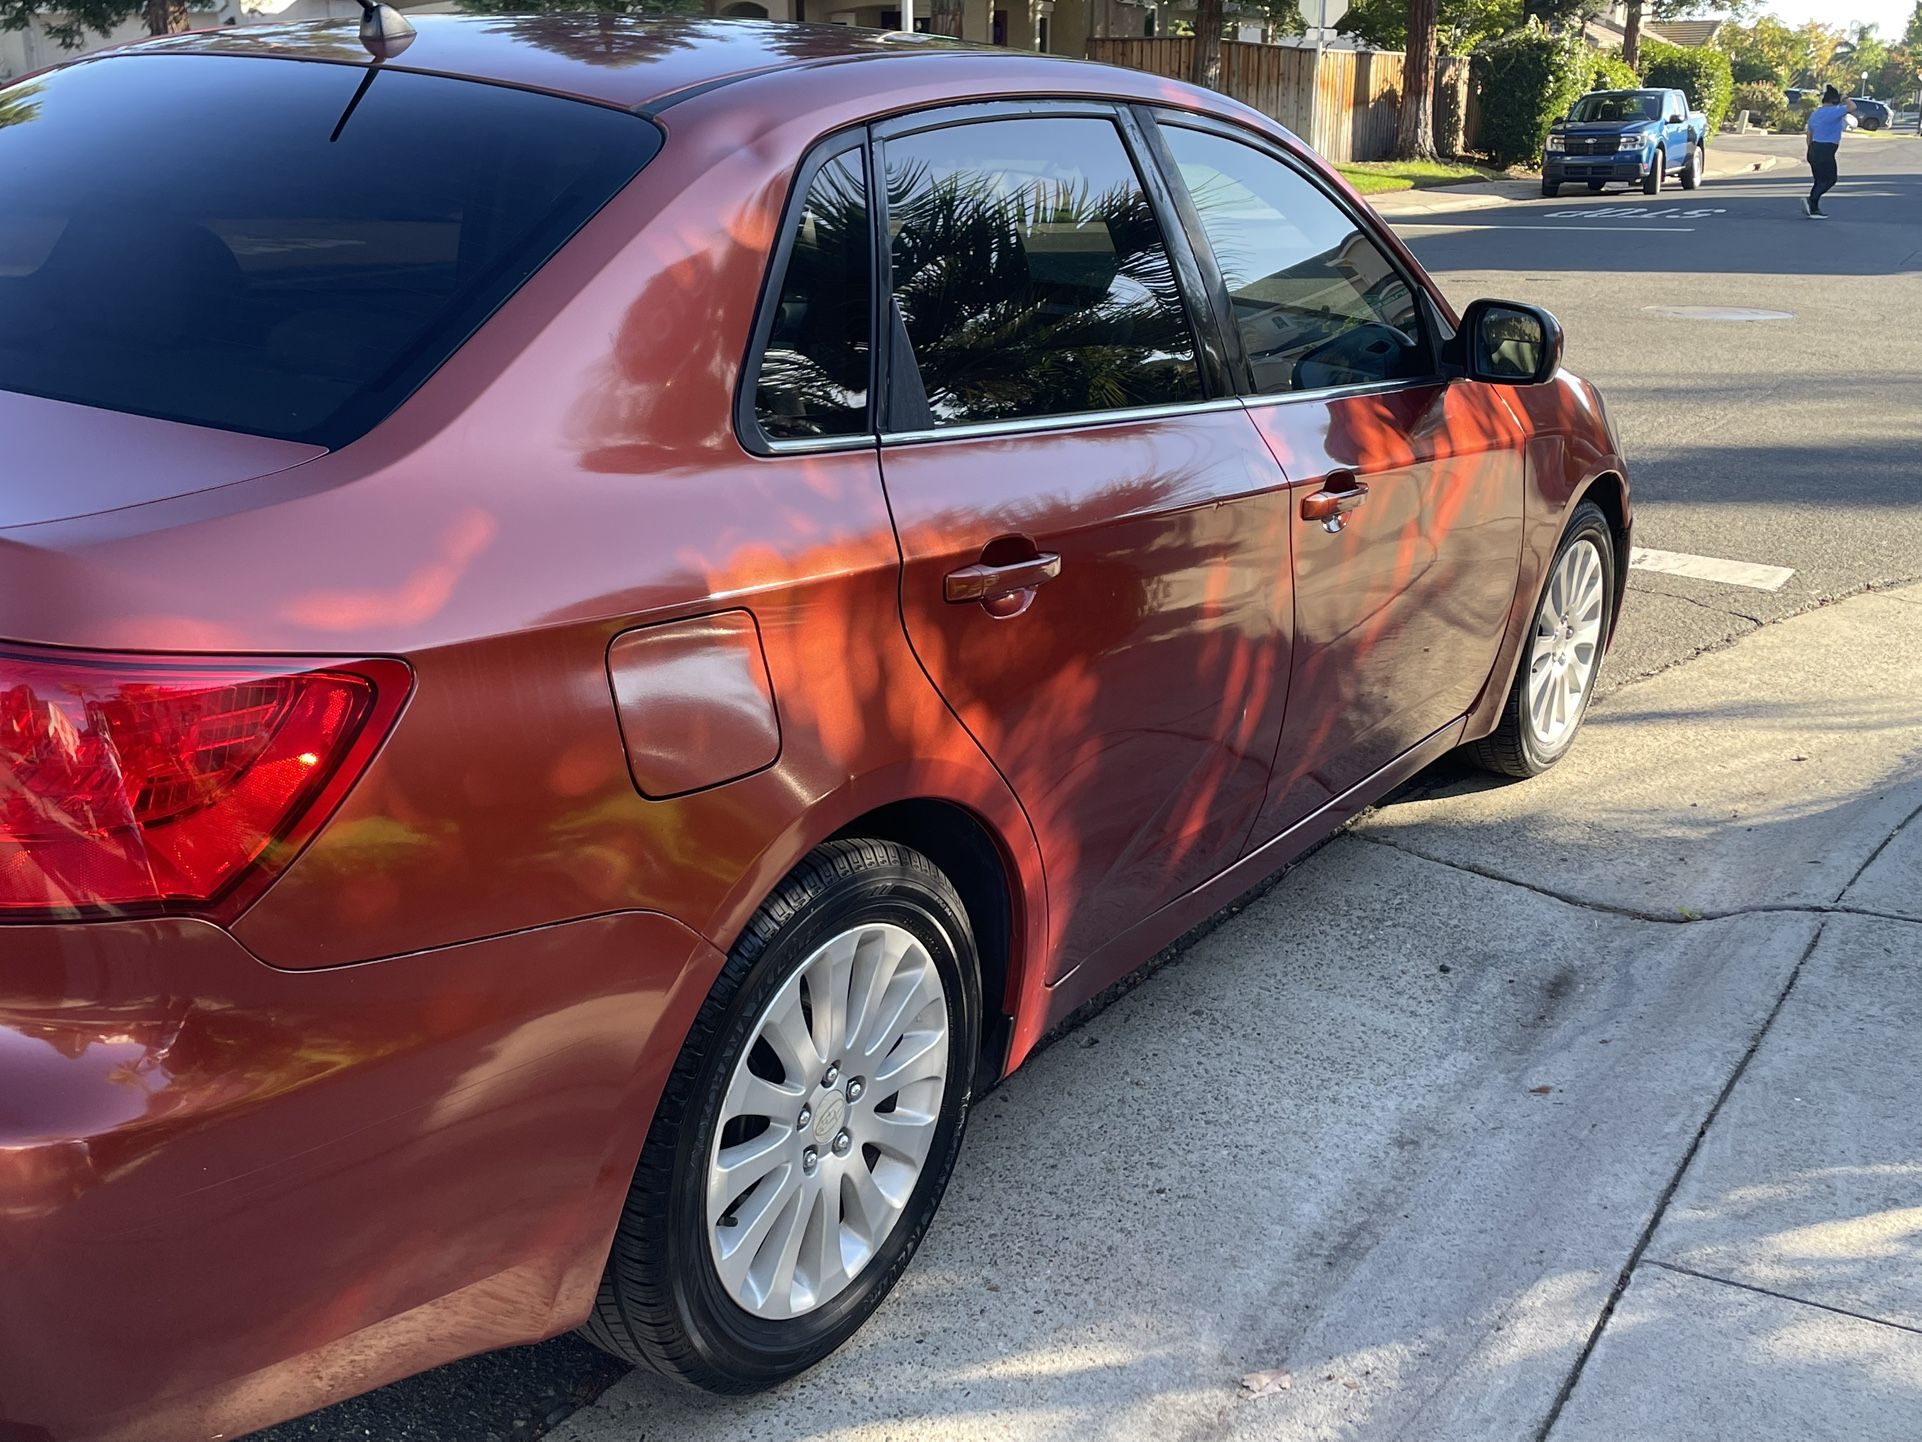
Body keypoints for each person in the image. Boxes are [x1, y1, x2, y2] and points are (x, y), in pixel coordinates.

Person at [1804, 86, 1857, 219]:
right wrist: (1845, 97)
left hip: (1813, 148)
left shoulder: (1816, 113)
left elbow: (1809, 134)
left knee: (1819, 180)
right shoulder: (1835, 111)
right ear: (1835, 100)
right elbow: (1852, 107)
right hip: (1826, 150)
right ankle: (1812, 200)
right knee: (1831, 179)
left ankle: (1814, 208)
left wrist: (1810, 149)